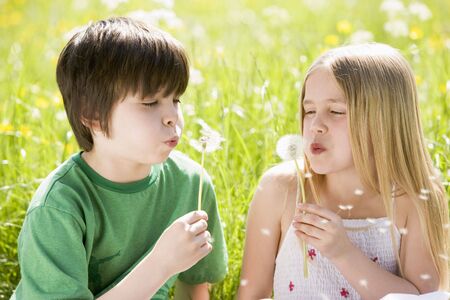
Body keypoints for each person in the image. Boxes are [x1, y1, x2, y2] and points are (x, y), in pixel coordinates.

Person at [12, 17, 227, 299]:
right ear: (93, 116)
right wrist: (160, 264)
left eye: (176, 100)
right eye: (150, 102)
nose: (172, 116)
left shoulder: (190, 182)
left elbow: (194, 285)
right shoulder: (59, 207)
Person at [237, 43, 448, 299]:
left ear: (384, 121)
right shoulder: (281, 189)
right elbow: (252, 294)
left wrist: (343, 253)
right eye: (309, 110)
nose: (315, 125)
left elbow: (424, 297)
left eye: (336, 111)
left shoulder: (413, 199)